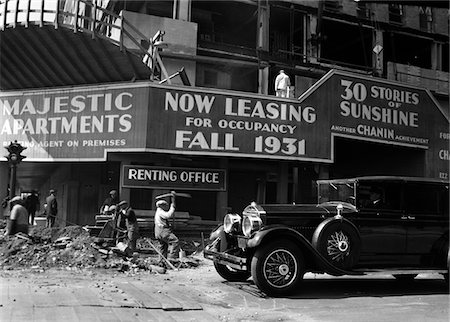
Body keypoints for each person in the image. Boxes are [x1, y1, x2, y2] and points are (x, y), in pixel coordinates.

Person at [154, 192, 179, 265]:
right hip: (163, 231)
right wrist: (172, 207)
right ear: (161, 205)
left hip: (158, 231)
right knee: (175, 241)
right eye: (165, 205)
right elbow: (168, 215)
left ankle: (162, 261)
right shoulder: (160, 212)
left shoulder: (158, 212)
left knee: (163, 246)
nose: (166, 207)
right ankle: (172, 258)